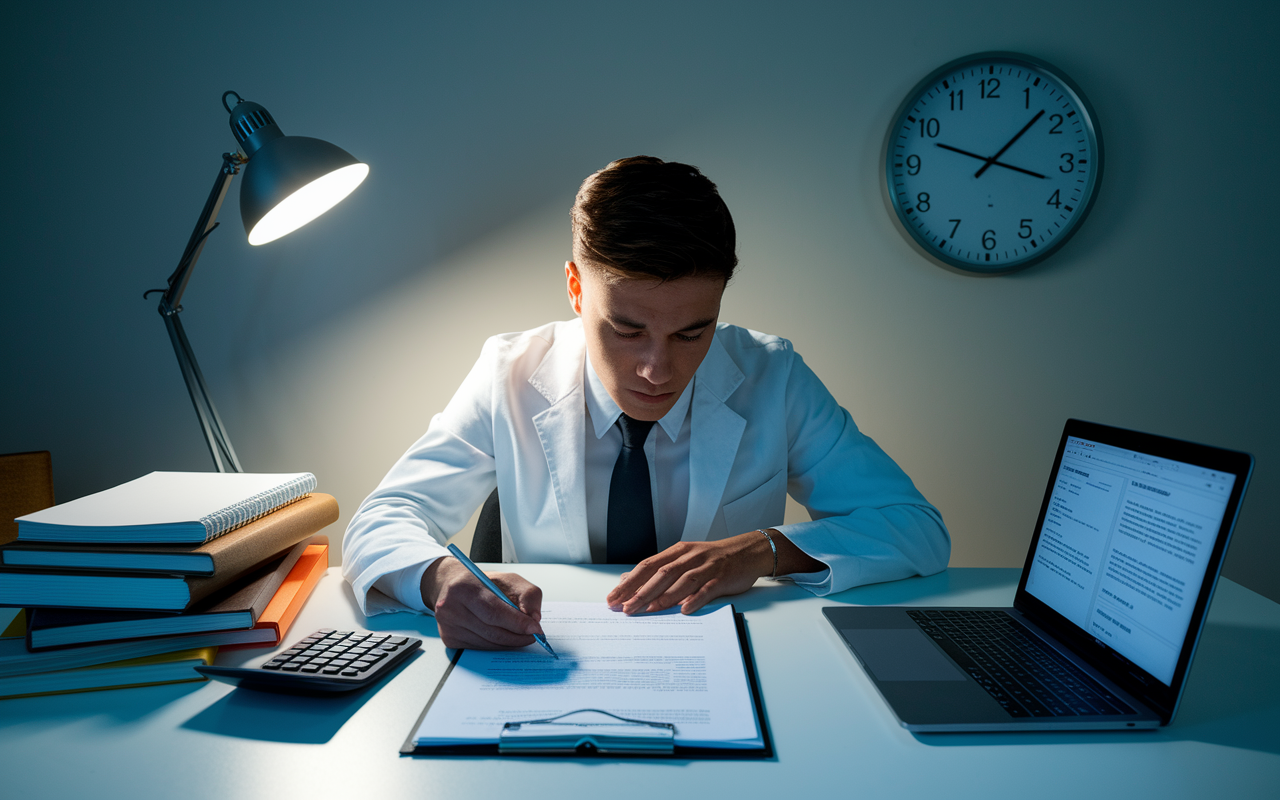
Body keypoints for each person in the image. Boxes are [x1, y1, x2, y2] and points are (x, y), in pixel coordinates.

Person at [343, 156, 950, 651]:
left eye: (692, 333)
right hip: (550, 667)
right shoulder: (509, 373)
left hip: (730, 668)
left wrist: (764, 549)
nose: (657, 370)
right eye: (627, 330)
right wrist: (439, 577)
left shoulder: (775, 375)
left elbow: (916, 528)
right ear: (577, 290)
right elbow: (382, 518)